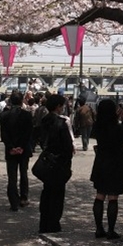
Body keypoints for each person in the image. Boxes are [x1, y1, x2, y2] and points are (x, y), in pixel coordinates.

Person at [90, 99, 123, 240]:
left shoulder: (98, 126)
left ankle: (98, 229)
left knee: (100, 195)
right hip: (116, 162)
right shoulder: (116, 127)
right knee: (113, 196)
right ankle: (111, 230)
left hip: (101, 162)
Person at [38, 94, 74, 234]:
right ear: (58, 106)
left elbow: (41, 141)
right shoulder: (61, 122)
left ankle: (44, 223)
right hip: (59, 163)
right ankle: (54, 224)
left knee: (46, 192)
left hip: (47, 161)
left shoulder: (44, 121)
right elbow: (67, 147)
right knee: (57, 195)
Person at [0, 91, 33, 211]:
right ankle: (24, 198)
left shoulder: (4, 115)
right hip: (24, 149)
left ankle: (13, 201)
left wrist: (11, 147)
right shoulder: (27, 115)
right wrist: (22, 147)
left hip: (10, 150)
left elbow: (3, 134)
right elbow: (28, 134)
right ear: (21, 100)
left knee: (12, 176)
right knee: (24, 173)